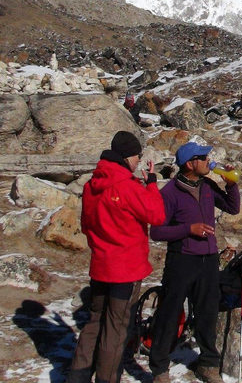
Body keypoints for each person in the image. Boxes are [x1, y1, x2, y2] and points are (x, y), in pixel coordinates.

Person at [67, 131, 166, 383]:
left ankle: (77, 377)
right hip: (126, 269)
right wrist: (152, 183)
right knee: (116, 328)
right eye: (137, 156)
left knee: (93, 322)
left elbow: (87, 225)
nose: (138, 161)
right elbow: (157, 215)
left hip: (100, 266)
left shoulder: (92, 185)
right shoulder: (127, 186)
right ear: (127, 156)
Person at [148, 142, 241, 383]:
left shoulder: (208, 185)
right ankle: (159, 369)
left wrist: (231, 184)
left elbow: (233, 207)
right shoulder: (169, 193)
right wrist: (188, 229)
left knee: (207, 313)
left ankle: (208, 364)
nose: (208, 160)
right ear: (190, 164)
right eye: (203, 157)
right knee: (169, 314)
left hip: (208, 259)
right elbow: (156, 232)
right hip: (181, 260)